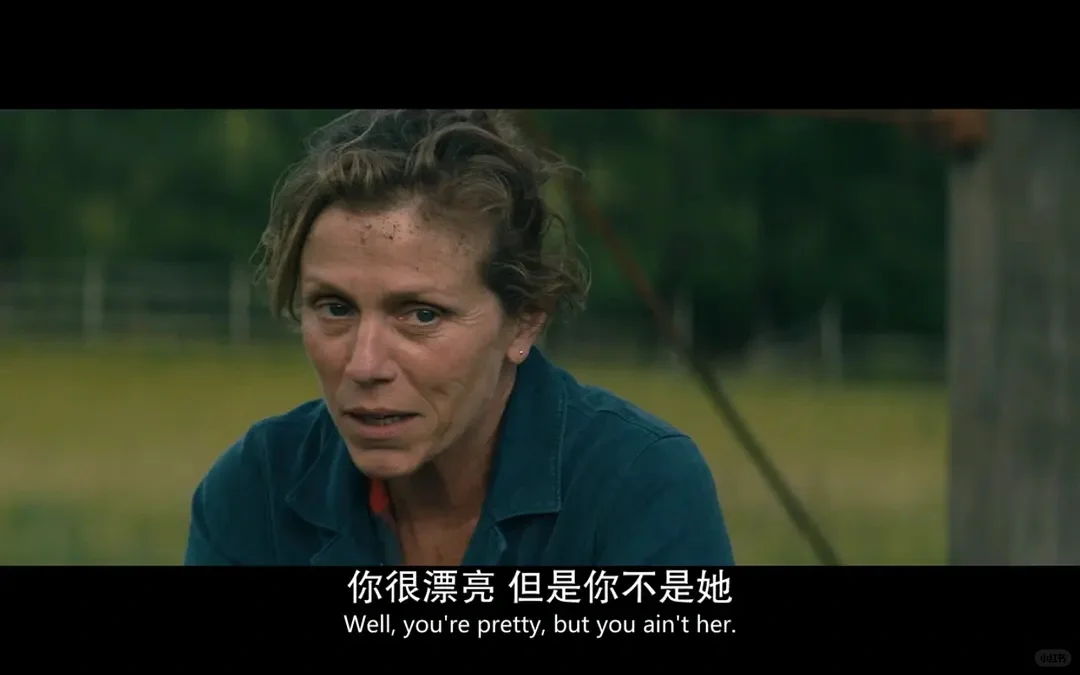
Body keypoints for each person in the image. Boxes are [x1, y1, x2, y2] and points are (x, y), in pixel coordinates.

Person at [183, 109, 735, 566]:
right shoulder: (257, 490)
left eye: (421, 315)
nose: (365, 365)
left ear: (525, 321)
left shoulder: (639, 486)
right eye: (335, 308)